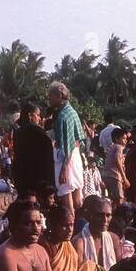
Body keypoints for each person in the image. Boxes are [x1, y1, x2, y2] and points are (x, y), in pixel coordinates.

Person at [74, 194, 129, 271]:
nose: (105, 220)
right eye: (100, 215)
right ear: (90, 216)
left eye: (108, 215)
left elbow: (119, 270)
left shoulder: (114, 239)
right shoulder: (79, 242)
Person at [49, 82, 85, 215]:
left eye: (51, 96)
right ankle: (79, 228)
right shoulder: (71, 112)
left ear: (59, 96)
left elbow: (68, 144)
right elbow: (79, 141)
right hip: (74, 156)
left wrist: (63, 169)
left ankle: (70, 231)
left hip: (66, 158)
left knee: (66, 200)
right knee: (77, 199)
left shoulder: (63, 116)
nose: (49, 99)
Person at [11, 102, 55, 202]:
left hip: (21, 177)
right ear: (30, 115)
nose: (40, 118)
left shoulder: (18, 132)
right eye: (38, 115)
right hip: (36, 178)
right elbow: (48, 153)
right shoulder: (37, 130)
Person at [100, 127, 128, 205]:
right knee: (119, 199)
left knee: (112, 200)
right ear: (116, 139)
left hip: (107, 175)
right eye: (123, 138)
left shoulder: (112, 146)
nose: (126, 140)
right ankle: (118, 215)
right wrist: (124, 178)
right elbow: (117, 161)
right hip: (115, 176)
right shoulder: (119, 147)